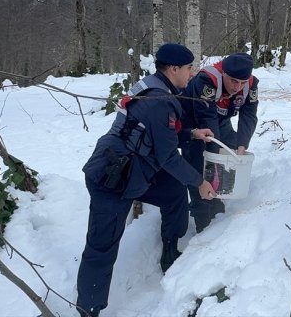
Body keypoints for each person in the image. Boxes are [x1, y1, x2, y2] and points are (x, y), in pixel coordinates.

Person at [76, 43, 217, 317]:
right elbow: (168, 157)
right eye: (189, 68)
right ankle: (89, 308)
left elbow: (156, 136)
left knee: (174, 190)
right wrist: (199, 182)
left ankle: (169, 250)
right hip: (113, 176)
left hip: (137, 169)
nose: (192, 74)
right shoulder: (160, 101)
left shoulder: (156, 89)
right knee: (102, 244)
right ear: (174, 69)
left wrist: (191, 133)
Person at [180, 52, 259, 232]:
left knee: (228, 153)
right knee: (200, 164)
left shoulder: (251, 84)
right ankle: (202, 218)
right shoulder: (206, 80)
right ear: (223, 72)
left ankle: (217, 204)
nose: (237, 87)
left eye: (242, 82)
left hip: (221, 120)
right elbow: (206, 117)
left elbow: (249, 115)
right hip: (193, 122)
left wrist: (242, 143)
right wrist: (214, 155)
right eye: (232, 81)